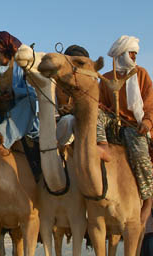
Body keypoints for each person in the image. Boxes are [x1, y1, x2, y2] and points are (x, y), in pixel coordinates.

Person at [97, 35, 153, 224]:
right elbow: (99, 104)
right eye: (131, 53)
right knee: (93, 115)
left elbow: (150, 103)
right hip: (110, 125)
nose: (135, 57)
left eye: (135, 53)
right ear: (121, 54)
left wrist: (147, 121)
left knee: (139, 155)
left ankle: (147, 197)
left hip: (133, 126)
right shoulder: (106, 78)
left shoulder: (142, 74)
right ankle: (102, 146)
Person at [0, 31, 39, 149]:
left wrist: (14, 92)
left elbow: (32, 92)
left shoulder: (21, 67)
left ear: (6, 50)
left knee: (31, 100)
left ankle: (1, 135)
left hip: (18, 115)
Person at [56, 45, 90, 147]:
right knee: (67, 120)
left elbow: (94, 107)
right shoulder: (55, 82)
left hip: (82, 123)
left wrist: (74, 110)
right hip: (58, 125)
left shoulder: (89, 84)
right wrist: (60, 111)